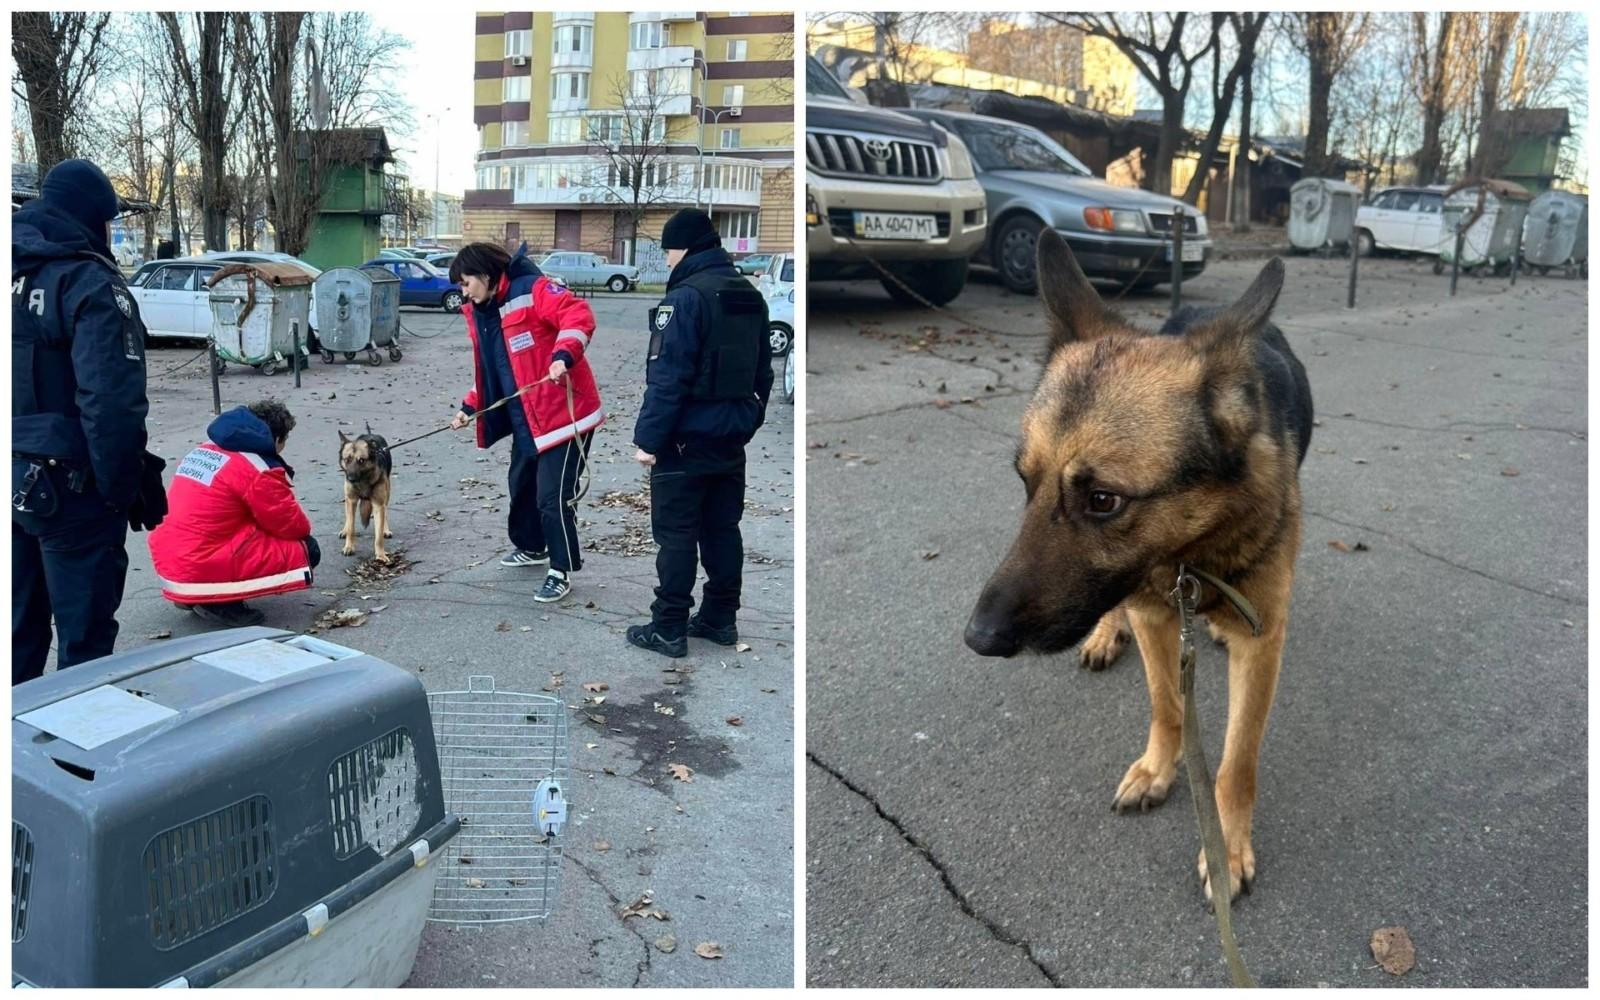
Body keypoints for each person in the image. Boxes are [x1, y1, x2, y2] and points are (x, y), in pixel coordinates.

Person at [12, 158, 167, 685]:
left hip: (13, 477)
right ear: (93, 218)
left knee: (17, 633)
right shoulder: (91, 282)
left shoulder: (13, 273)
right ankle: (72, 765)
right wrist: (120, 491)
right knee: (83, 649)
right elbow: (111, 404)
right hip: (71, 491)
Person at [627, 208, 774, 658]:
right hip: (730, 434)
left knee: (676, 533)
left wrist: (648, 440)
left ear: (685, 247)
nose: (667, 260)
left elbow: (668, 377)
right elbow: (763, 374)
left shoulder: (686, 299)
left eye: (669, 250)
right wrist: (748, 420)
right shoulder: (750, 295)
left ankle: (668, 626)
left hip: (685, 437)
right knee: (722, 528)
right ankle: (719, 619)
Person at [449, 242, 604, 603]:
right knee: (521, 484)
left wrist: (563, 354)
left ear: (486, 275)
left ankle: (561, 569)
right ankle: (533, 546)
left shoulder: (532, 289)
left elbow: (577, 315)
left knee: (553, 496)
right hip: (529, 418)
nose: (463, 291)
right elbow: (494, 370)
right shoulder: (484, 312)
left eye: (466, 282)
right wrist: (469, 407)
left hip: (566, 416)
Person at [148, 401, 318, 627]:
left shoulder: (208, 447)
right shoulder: (257, 468)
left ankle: (196, 595)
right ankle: (220, 603)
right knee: (308, 548)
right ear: (276, 439)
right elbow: (293, 526)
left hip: (171, 559)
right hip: (197, 563)